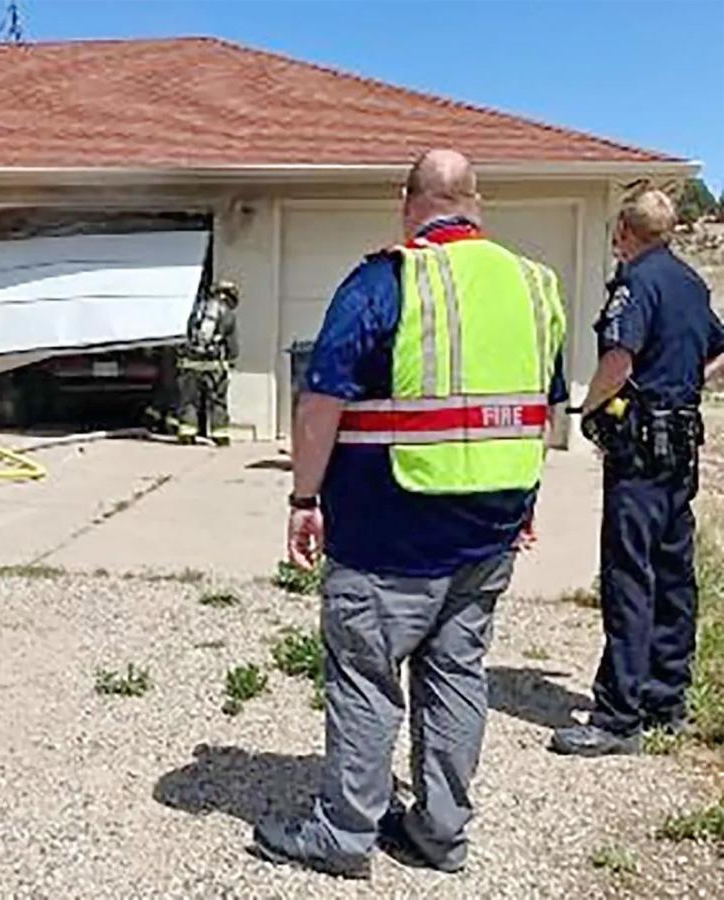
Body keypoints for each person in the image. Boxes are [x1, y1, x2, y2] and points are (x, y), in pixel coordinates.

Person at [258, 149, 568, 879]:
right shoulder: (534, 285)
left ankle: (344, 836)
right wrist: (525, 500)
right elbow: (538, 412)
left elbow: (319, 401)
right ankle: (440, 832)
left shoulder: (384, 281)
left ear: (408, 201)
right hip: (489, 534)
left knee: (366, 680)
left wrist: (304, 500)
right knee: (458, 676)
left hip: (385, 536)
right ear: (477, 203)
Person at [550, 189, 724, 757]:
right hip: (681, 446)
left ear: (625, 231)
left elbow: (618, 360)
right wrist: (681, 383)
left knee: (629, 575)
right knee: (675, 571)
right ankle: (666, 699)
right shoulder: (692, 283)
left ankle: (618, 716)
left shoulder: (637, 283)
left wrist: (596, 408)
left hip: (641, 452)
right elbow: (717, 350)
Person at [175, 280, 239, 446]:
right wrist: (232, 359)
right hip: (214, 365)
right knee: (217, 400)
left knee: (189, 399)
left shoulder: (197, 309)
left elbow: (185, 334)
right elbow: (231, 343)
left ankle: (187, 433)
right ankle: (220, 435)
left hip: (190, 363)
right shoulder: (227, 314)